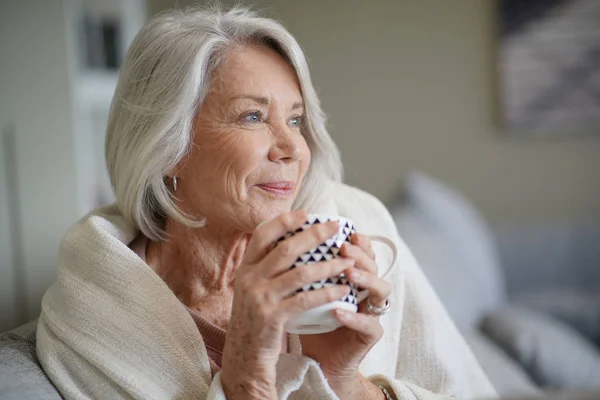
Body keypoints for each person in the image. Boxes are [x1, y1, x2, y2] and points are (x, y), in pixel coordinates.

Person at [36, 5, 497, 400]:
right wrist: (246, 377)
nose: (293, 148)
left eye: (295, 120)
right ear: (168, 150)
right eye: (253, 116)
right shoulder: (93, 309)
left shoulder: (358, 224)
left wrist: (346, 382)